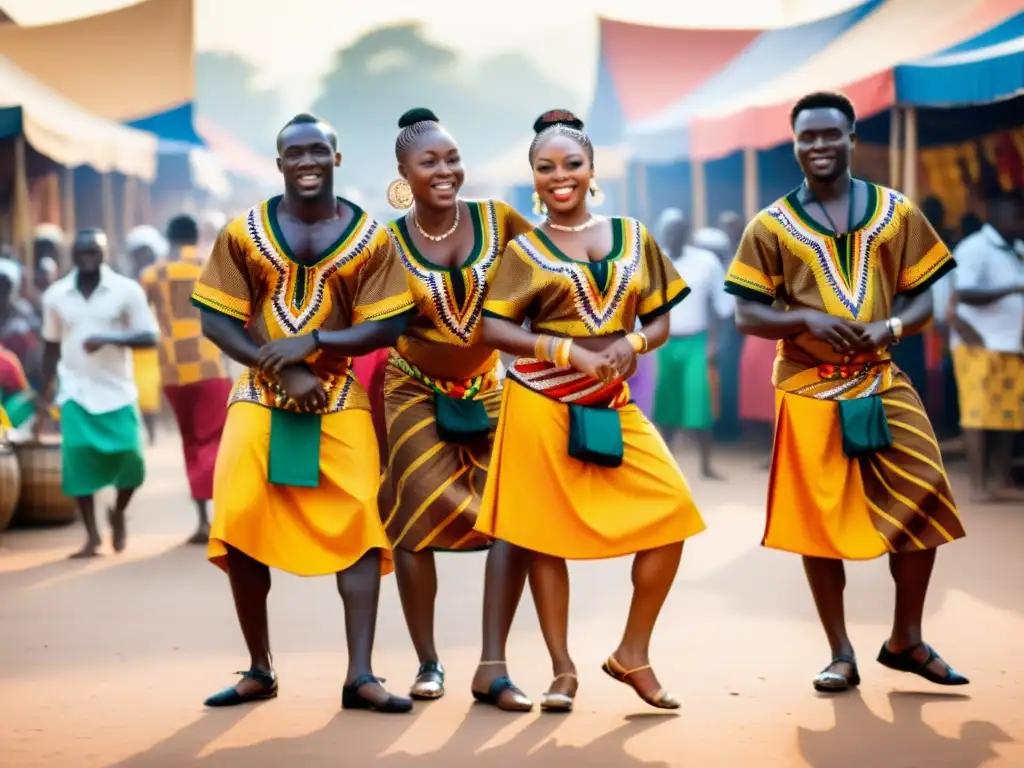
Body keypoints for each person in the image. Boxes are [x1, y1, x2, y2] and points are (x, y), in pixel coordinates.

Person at [725, 91, 968, 693]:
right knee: (819, 522)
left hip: (881, 377)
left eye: (830, 134)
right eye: (807, 137)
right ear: (795, 144)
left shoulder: (896, 211)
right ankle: (840, 651)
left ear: (852, 137)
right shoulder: (772, 225)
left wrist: (890, 326)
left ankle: (906, 638)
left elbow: (925, 296)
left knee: (926, 493)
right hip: (808, 387)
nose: (819, 146)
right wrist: (804, 320)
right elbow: (746, 316)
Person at [475, 110, 706, 712]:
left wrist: (630, 344)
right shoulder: (525, 250)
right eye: (546, 167)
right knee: (544, 535)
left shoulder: (634, 235)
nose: (560, 177)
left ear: (592, 169)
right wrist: (565, 349)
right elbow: (493, 327)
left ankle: (633, 651)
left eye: (571, 164)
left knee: (673, 510)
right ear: (533, 176)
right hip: (538, 400)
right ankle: (562, 670)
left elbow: (659, 319)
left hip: (611, 401)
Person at [193, 113, 415, 713]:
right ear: (279, 163)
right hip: (259, 397)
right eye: (296, 153)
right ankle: (259, 668)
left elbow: (387, 323)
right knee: (237, 518)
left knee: (361, 526)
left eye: (319, 151)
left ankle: (361, 675)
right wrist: (281, 367)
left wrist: (316, 344)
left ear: (337, 159)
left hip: (339, 396)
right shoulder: (243, 232)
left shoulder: (371, 238)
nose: (308, 161)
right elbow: (216, 317)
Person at [374, 108, 535, 709]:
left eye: (452, 159)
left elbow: (553, 267)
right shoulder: (386, 241)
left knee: (510, 520)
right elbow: (363, 313)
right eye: (429, 162)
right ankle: (428, 662)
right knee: (414, 523)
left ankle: (493, 666)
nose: (445, 171)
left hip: (490, 386)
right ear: (403, 173)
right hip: (413, 387)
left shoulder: (499, 219)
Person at [36, 228, 158, 558]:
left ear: (105, 254)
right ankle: (91, 536)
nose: (89, 258)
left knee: (132, 459)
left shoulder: (125, 290)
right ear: (72, 256)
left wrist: (110, 338)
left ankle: (118, 512)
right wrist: (43, 392)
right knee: (77, 459)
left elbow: (150, 337)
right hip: (74, 389)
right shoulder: (56, 295)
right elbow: (49, 347)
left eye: (95, 252)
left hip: (117, 390)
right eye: (83, 252)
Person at [139, 214, 234, 544]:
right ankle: (224, 519)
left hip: (172, 369)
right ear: (196, 235)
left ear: (168, 236)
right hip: (210, 365)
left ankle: (202, 521)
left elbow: (144, 319)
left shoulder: (151, 274)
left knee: (191, 441)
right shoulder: (215, 265)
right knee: (214, 440)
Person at [947, 188, 1024, 502]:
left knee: (1009, 416)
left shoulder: (1018, 248)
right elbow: (962, 294)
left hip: (1011, 344)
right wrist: (1012, 289)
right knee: (977, 416)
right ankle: (979, 486)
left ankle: (1000, 479)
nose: (1021, 220)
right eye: (1017, 215)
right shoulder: (975, 248)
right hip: (977, 343)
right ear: (998, 215)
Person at [652, 209, 732, 479]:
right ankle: (665, 471)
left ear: (686, 233)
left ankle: (706, 466)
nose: (672, 236)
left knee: (699, 404)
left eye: (678, 231)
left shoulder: (705, 262)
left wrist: (715, 344)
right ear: (660, 232)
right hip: (662, 343)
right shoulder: (652, 261)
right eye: (668, 231)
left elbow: (723, 307)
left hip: (696, 343)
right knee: (664, 406)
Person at [125, 225, 167, 444]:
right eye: (138, 252)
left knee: (149, 389)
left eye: (146, 252)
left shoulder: (158, 275)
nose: (142, 256)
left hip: (153, 338)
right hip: (133, 338)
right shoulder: (129, 279)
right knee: (136, 388)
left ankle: (152, 433)